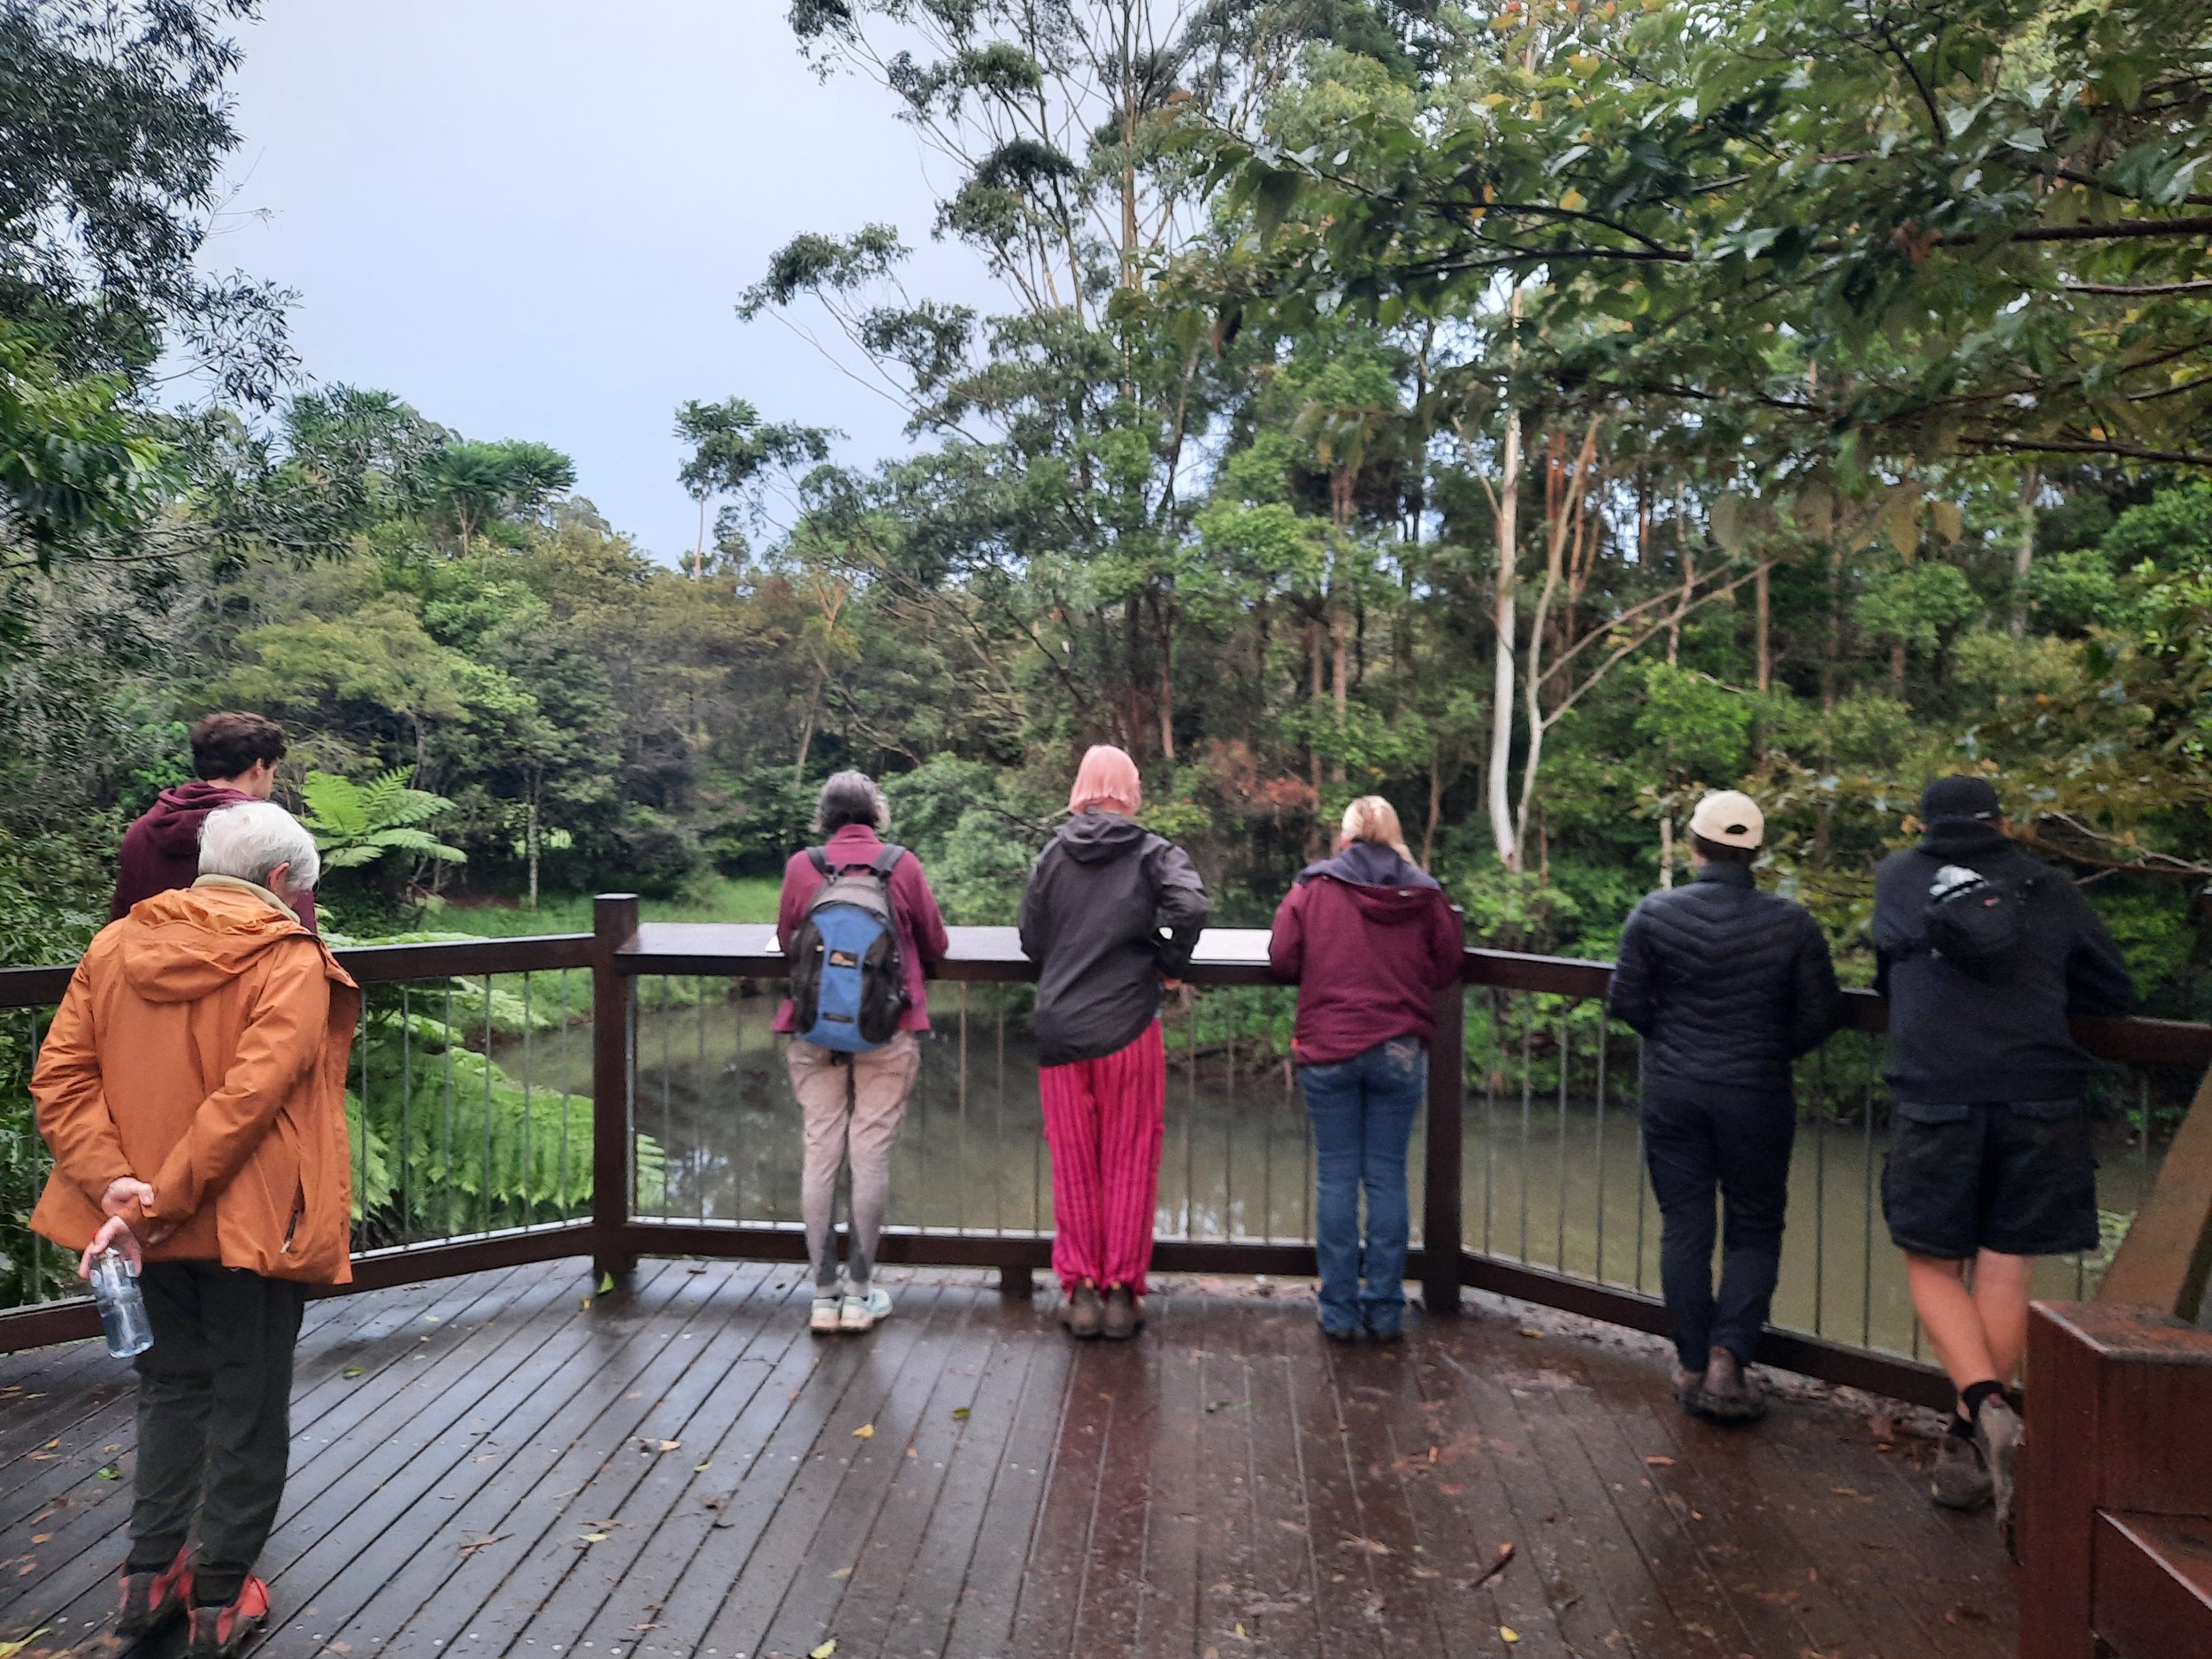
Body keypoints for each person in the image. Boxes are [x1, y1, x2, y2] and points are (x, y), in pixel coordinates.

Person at [32, 802, 357, 1659]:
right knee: (248, 1399)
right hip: (251, 1227)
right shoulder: (288, 960)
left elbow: (60, 1079)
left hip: (132, 1227)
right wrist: (158, 1200)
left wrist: (118, 1195)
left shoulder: (115, 945)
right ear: (281, 882)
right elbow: (252, 1098)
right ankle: (220, 1597)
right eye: (302, 891)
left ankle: (148, 1579)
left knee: (172, 1387)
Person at [1873, 774, 2131, 1529]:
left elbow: (1888, 963)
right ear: (2003, 821)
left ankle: (1986, 1409)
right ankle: (1968, 1443)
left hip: (1937, 1090)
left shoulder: (1898, 876)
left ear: (1923, 823)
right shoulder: (2048, 885)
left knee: (1930, 1259)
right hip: (2041, 1091)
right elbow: (2111, 988)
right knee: (2006, 1260)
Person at [1609, 790, 1838, 1423]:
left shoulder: (1655, 914)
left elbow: (1625, 1001)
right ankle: (1728, 1361)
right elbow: (1820, 1014)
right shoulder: (1793, 923)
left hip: (1675, 1092)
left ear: (1694, 845)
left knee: (1684, 1224)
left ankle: (1687, 1361)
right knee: (1755, 1225)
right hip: (1756, 1093)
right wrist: (1766, 1048)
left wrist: (1675, 1039)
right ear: (1757, 851)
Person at [1018, 745, 1210, 1340]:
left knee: (1074, 1160)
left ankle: (1078, 1292)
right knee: (1128, 1158)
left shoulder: (1054, 853)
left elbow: (1031, 938)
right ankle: (1122, 1292)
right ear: (1130, 790)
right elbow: (1192, 905)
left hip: (1062, 1028)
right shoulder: (1153, 851)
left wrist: (1069, 956)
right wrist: (1169, 962)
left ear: (1081, 788)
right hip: (1128, 1027)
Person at [1269, 797, 1462, 1344]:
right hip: (1398, 1050)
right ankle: (1383, 1310)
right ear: (1395, 835)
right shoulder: (1425, 893)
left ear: (1345, 838)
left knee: (1336, 1177)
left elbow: (1282, 956)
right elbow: (1449, 963)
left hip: (1329, 1046)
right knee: (1386, 1177)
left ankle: (1338, 1312)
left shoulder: (1313, 887)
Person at [776, 772, 950, 1335]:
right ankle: (860, 1291)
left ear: (824, 815)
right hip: (887, 1027)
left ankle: (822, 1295)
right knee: (869, 1153)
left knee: (821, 1149)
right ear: (877, 812)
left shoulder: (805, 866)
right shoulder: (902, 864)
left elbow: (787, 941)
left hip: (813, 1029)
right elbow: (935, 943)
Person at [113, 712, 314, 931]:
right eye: (273, 771)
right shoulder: (270, 836)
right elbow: (301, 929)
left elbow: (120, 920)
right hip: (243, 963)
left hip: (150, 960)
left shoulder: (142, 831)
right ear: (258, 767)